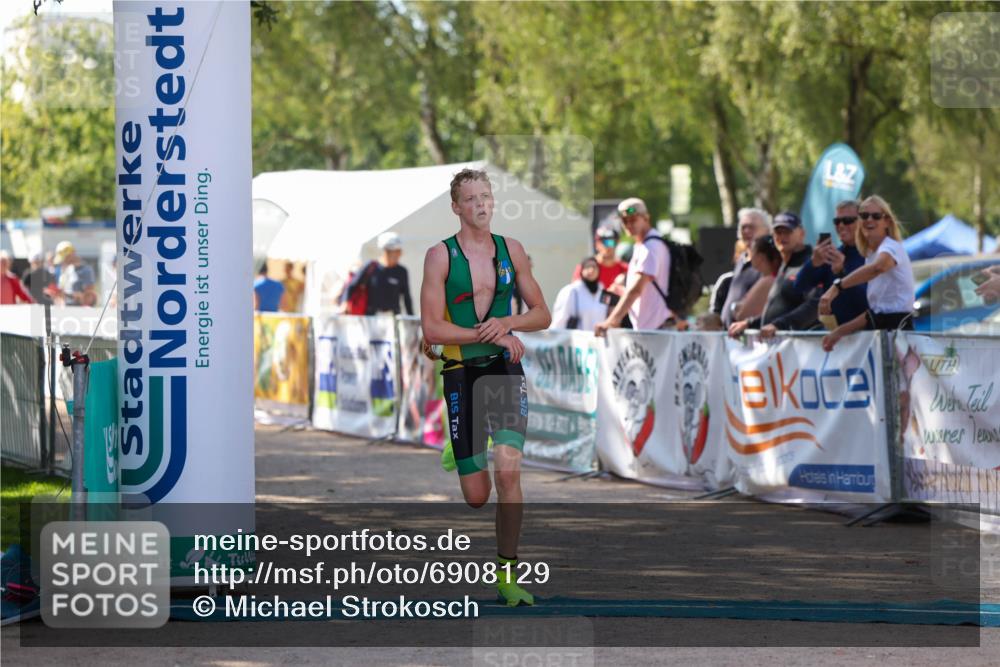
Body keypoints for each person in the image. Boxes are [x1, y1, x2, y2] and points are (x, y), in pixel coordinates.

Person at [420, 167, 550, 607]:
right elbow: (432, 330)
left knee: (509, 472)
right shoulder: (440, 256)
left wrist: (508, 325)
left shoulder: (511, 250)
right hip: (461, 372)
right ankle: (458, 447)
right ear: (456, 207)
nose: (480, 204)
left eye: (486, 196)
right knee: (477, 497)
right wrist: (490, 334)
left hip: (503, 371)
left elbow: (542, 313)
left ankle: (508, 574)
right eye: (471, 198)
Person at [820, 196, 915, 351]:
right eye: (863, 216)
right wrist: (838, 332)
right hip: (881, 333)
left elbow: (877, 268)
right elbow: (874, 313)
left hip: (898, 332)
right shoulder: (871, 254)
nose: (869, 219)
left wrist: (837, 287)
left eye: (876, 216)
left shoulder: (891, 247)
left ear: (887, 222)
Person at [728, 211, 820, 339]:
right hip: (779, 348)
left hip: (802, 349)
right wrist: (750, 323)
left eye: (787, 232)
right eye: (778, 232)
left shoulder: (812, 263)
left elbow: (815, 306)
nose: (782, 237)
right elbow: (781, 309)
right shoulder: (785, 265)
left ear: (801, 234)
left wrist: (779, 326)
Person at [594, 197, 674, 336]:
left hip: (656, 329)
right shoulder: (644, 245)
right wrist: (623, 290)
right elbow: (642, 289)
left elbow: (636, 290)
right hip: (651, 327)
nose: (628, 224)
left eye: (633, 219)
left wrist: (611, 321)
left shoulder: (650, 247)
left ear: (646, 218)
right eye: (624, 221)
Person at [794, 200, 868, 328]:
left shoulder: (871, 254)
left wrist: (841, 272)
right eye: (837, 221)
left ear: (862, 222)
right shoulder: (832, 254)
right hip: (836, 336)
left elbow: (867, 302)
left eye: (848, 220)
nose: (841, 225)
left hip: (865, 335)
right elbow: (799, 287)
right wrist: (813, 263)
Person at [719, 208, 772, 327]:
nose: (747, 231)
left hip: (753, 335)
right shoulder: (742, 259)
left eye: (752, 227)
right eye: (743, 227)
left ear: (767, 230)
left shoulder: (771, 261)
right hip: (730, 336)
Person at [730, 235, 782, 323]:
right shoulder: (769, 279)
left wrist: (735, 307)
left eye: (752, 251)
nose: (749, 254)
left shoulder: (767, 281)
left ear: (760, 257)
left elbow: (742, 315)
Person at [550, 257, 609, 331]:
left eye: (594, 267)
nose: (591, 270)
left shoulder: (603, 292)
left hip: (598, 340)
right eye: (587, 267)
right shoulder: (572, 291)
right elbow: (559, 321)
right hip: (577, 340)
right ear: (581, 270)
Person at [364, 232, 413, 315]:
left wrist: (411, 319)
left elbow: (406, 297)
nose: (400, 254)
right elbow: (352, 286)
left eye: (399, 251)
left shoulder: (402, 271)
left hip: (394, 318)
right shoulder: (371, 267)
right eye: (396, 251)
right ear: (387, 252)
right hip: (372, 318)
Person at [53, 241, 96, 306]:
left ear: (72, 254)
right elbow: (59, 291)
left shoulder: (86, 270)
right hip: (62, 310)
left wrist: (73, 296)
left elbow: (89, 297)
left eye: (65, 258)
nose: (63, 261)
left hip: (80, 311)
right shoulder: (60, 269)